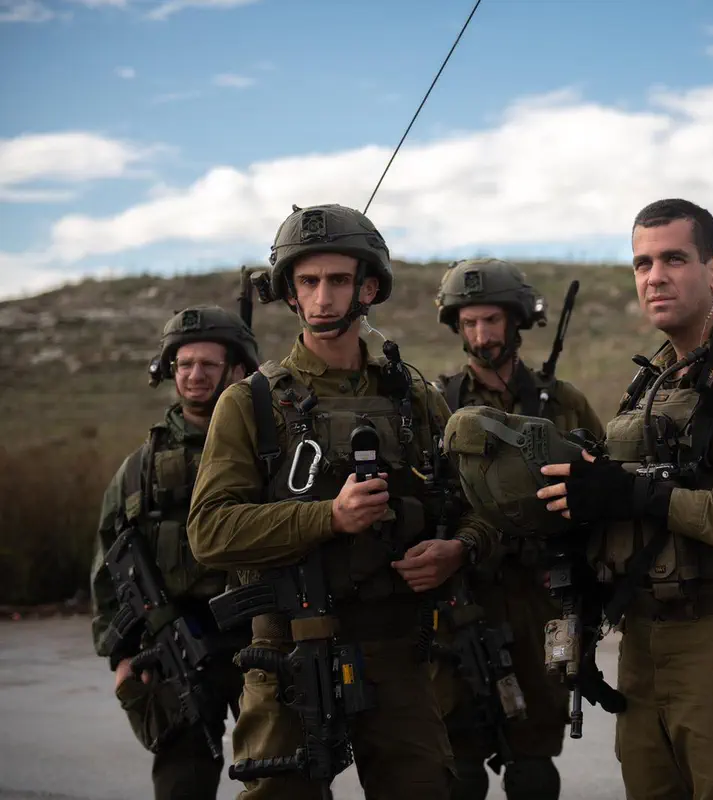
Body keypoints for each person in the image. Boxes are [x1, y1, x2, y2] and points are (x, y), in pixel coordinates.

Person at [185, 203, 502, 800]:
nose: (322, 297)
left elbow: (480, 507)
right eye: (307, 282)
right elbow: (210, 531)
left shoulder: (415, 398)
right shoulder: (251, 403)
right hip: (288, 650)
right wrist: (328, 516)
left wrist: (459, 549)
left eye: (337, 280)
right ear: (290, 292)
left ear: (369, 288)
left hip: (396, 648)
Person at [535, 198, 713, 799]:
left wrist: (642, 494)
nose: (655, 277)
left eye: (673, 259)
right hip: (644, 644)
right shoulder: (651, 383)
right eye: (642, 264)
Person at [431, 258, 606, 800]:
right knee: (458, 763)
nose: (481, 335)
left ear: (517, 321)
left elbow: (601, 489)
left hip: (539, 599)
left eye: (492, 320)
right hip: (462, 597)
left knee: (533, 764)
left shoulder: (564, 403)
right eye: (469, 323)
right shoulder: (438, 403)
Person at [90, 305, 260, 800]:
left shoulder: (268, 450)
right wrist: (121, 655)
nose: (194, 374)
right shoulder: (140, 468)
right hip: (177, 644)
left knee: (285, 777)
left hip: (261, 637)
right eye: (184, 364)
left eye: (208, 364)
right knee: (181, 781)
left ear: (237, 370)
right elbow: (109, 564)